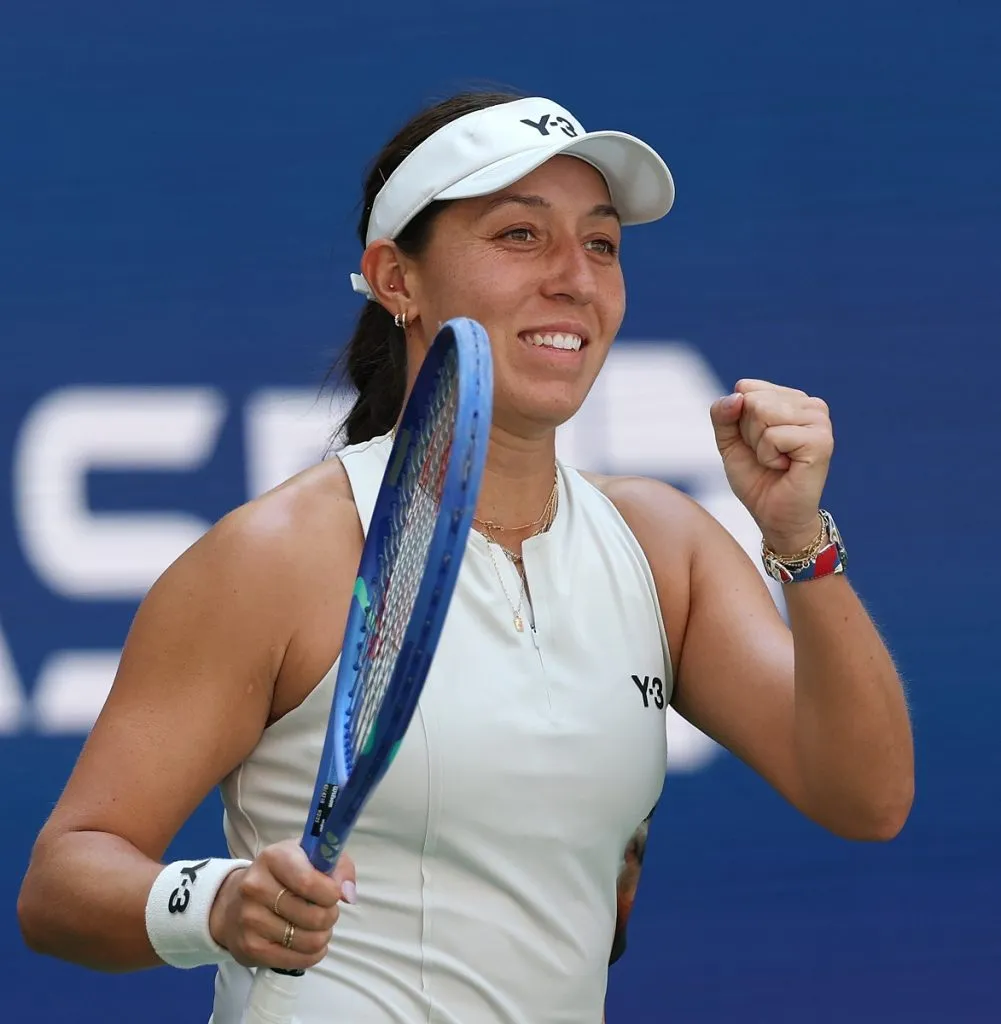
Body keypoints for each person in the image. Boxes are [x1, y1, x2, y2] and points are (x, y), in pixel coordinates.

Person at [17, 90, 914, 1023]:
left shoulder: (661, 547)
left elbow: (866, 797)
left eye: (601, 243)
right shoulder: (279, 557)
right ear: (394, 279)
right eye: (519, 235)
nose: (575, 278)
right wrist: (216, 902)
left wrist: (797, 540)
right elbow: (62, 883)